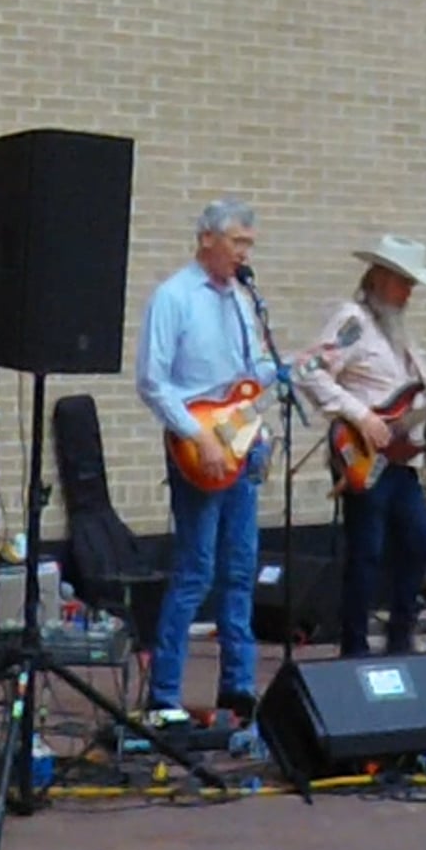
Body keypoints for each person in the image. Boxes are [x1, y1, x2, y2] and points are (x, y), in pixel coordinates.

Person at [297, 235, 426, 658]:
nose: (408, 293)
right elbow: (309, 370)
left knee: (418, 539)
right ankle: (354, 645)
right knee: (367, 549)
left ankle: (400, 638)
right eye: (403, 283)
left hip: (399, 458)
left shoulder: (398, 335)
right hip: (361, 452)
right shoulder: (352, 321)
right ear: (379, 278)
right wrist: (362, 416)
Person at [135, 197, 274, 721]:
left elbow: (249, 377)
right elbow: (152, 381)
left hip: (240, 445)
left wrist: (299, 365)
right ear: (207, 239)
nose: (244, 253)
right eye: (237, 242)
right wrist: (200, 435)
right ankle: (164, 693)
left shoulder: (241, 300)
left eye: (249, 245)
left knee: (240, 569)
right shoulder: (174, 297)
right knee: (196, 570)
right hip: (198, 447)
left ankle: (238, 684)